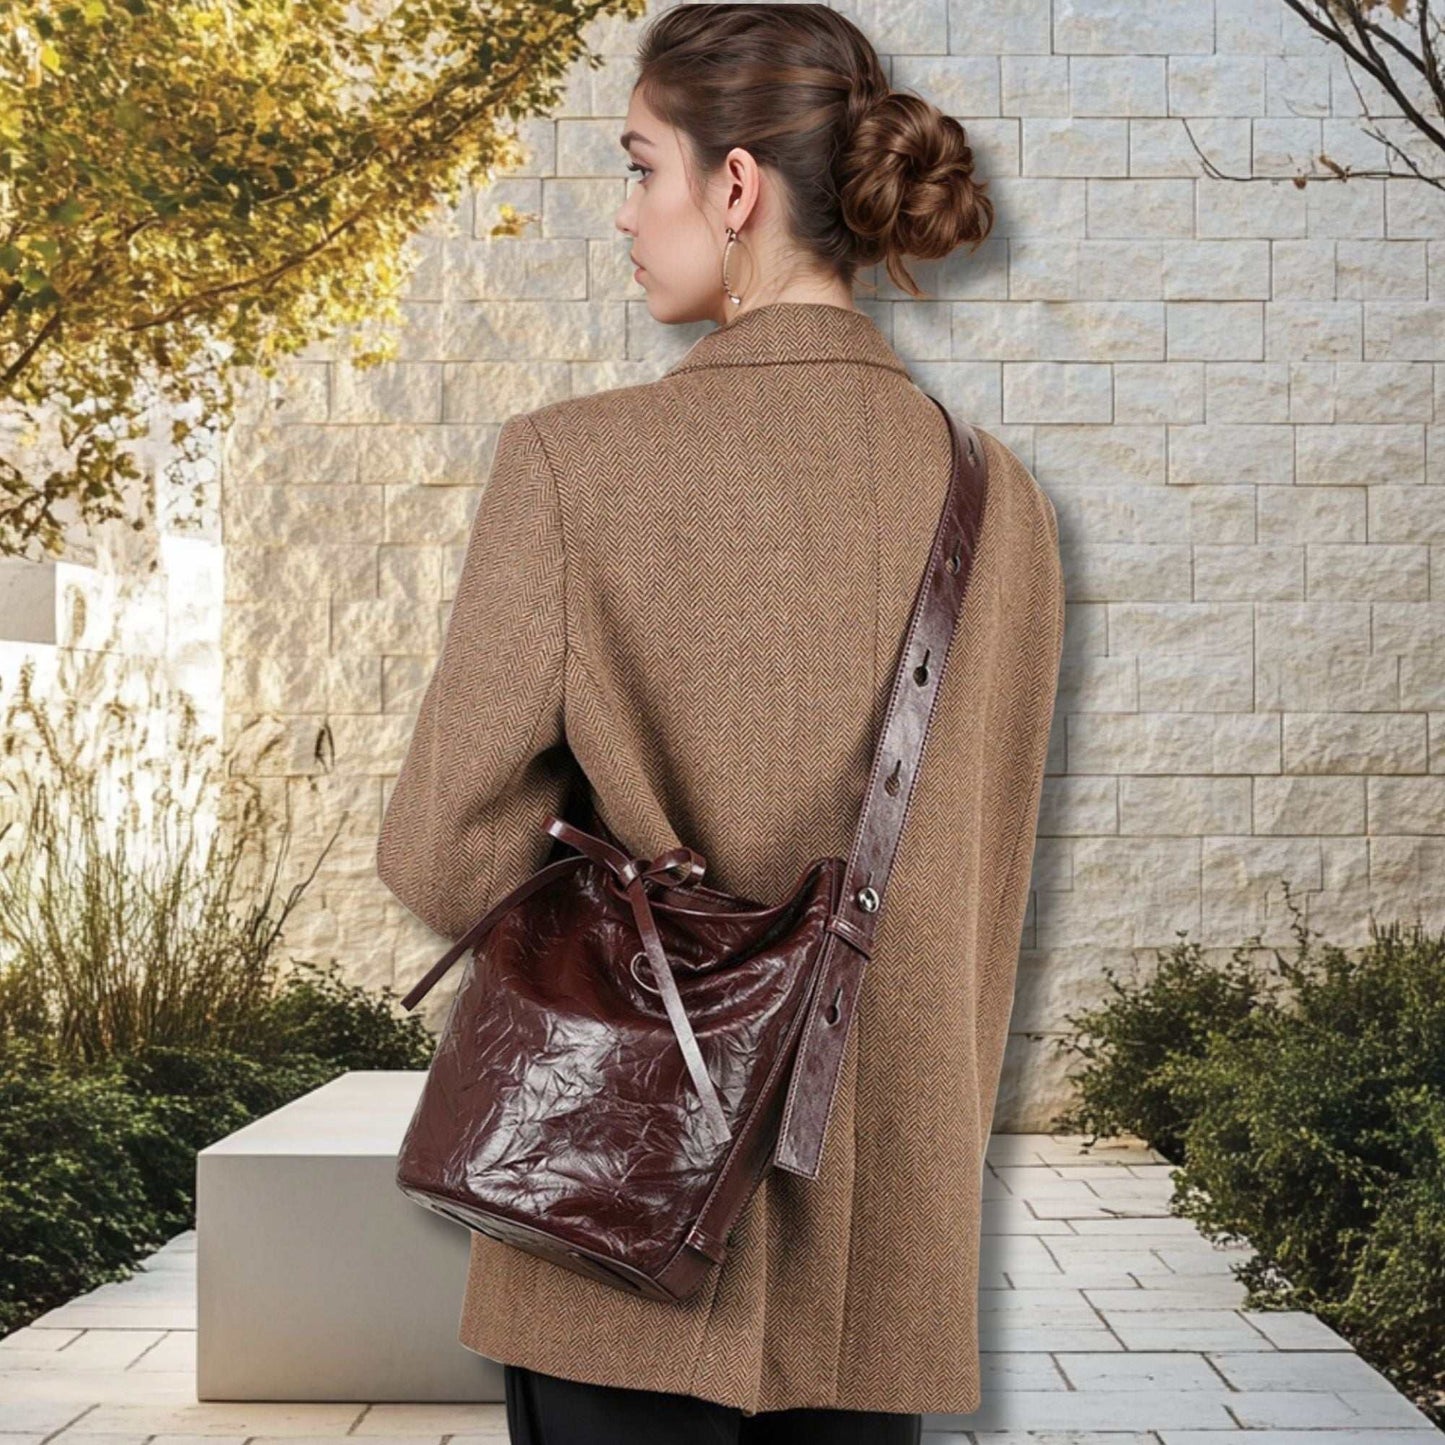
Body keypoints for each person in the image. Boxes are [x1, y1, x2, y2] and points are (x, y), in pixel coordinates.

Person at [375, 3, 1065, 1441]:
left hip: (608, 1215)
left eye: (641, 168)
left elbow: (442, 850)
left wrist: (625, 918)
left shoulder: (573, 466)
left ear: (735, 186)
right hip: (882, 1253)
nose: (625, 214)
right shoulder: (1003, 508)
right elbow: (980, 901)